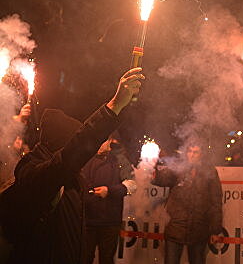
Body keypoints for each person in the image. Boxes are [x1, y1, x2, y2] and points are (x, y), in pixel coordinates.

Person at [5, 67, 144, 264]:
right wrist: (113, 107)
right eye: (73, 142)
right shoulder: (36, 172)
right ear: (62, 145)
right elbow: (73, 152)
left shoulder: (69, 175)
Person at [152, 145, 223, 264]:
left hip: (199, 229)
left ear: (202, 154)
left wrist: (215, 230)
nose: (192, 154)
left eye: (196, 152)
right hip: (175, 227)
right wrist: (153, 164)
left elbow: (216, 201)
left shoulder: (210, 171)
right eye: (190, 151)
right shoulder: (178, 168)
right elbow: (161, 180)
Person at [82, 131, 136, 264]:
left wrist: (109, 191)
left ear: (110, 142)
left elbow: (132, 184)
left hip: (110, 222)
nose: (100, 145)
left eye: (103, 141)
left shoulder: (119, 159)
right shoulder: (85, 159)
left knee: (106, 260)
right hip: (87, 221)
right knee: (84, 259)